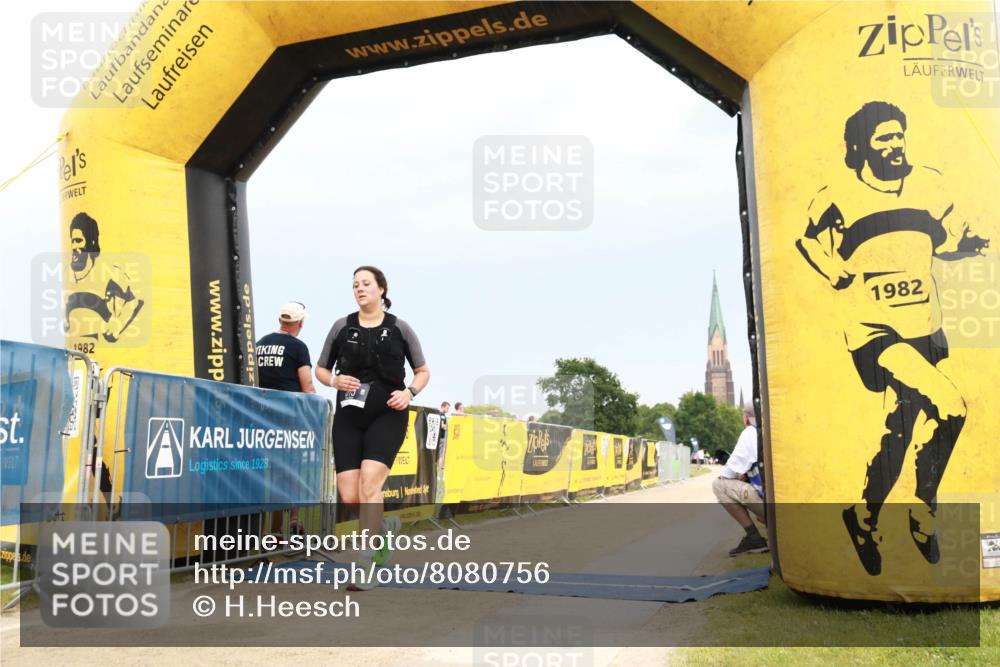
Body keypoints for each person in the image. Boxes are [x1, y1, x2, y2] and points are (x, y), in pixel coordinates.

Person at [796, 101, 989, 576]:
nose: (895, 144)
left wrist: (966, 247)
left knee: (899, 432)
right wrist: (832, 268)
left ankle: (862, 516)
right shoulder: (838, 194)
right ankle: (923, 512)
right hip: (874, 331)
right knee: (951, 406)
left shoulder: (929, 184)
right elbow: (808, 239)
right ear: (860, 146)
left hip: (924, 326)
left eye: (899, 135)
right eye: (883, 138)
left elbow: (941, 245)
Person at [316, 266, 429, 590]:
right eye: (355, 285)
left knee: (369, 484)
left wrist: (409, 393)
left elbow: (422, 370)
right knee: (349, 493)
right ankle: (384, 527)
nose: (359, 289)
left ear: (381, 289)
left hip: (388, 414)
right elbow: (320, 369)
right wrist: (334, 381)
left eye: (366, 283)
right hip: (349, 416)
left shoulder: (400, 328)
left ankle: (365, 564)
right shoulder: (341, 326)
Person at [255, 301, 316, 536]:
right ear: (300, 323)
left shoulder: (260, 344)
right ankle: (288, 524)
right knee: (290, 473)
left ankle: (277, 529)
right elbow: (307, 385)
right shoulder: (298, 347)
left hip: (260, 418)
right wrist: (318, 410)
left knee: (271, 474)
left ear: (280, 320)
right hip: (289, 420)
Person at [712, 404, 767, 556]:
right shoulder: (776, 430)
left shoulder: (750, 432)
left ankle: (753, 538)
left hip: (773, 507)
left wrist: (742, 475)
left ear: (747, 419)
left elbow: (728, 474)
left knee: (719, 485)